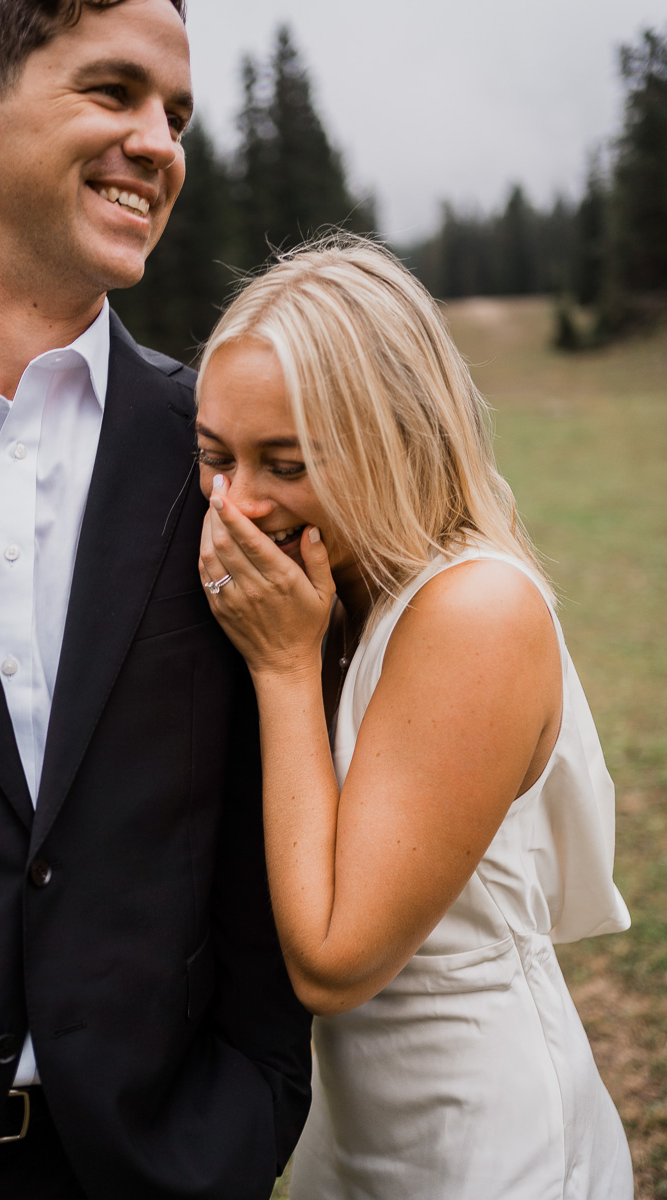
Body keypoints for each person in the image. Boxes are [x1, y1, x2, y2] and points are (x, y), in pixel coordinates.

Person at [0, 1, 311, 1196]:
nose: (159, 143)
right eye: (113, 93)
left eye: (174, 114)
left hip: (158, 1164)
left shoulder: (228, 463)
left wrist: (242, 1116)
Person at [195, 235, 634, 1199]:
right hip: (347, 1122)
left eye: (286, 462)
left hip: (479, 1132)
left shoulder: (474, 610)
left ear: (392, 440)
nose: (237, 503)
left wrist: (279, 666)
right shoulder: (335, 586)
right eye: (215, 456)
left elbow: (335, 960)